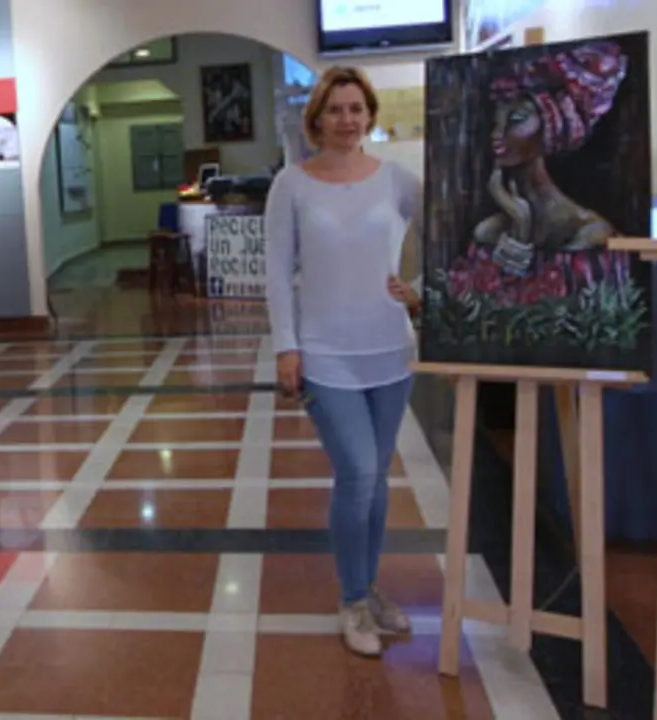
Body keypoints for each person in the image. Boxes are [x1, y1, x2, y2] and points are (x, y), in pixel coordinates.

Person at [264, 66, 422, 657]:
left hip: (389, 348)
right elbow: (276, 271)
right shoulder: (292, 185)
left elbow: (456, 231)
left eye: (356, 109)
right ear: (317, 119)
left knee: (376, 479)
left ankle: (370, 588)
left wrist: (420, 291)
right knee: (356, 471)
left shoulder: (396, 181)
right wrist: (286, 345)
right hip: (325, 353)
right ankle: (352, 599)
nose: (347, 120)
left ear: (370, 115)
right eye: (335, 109)